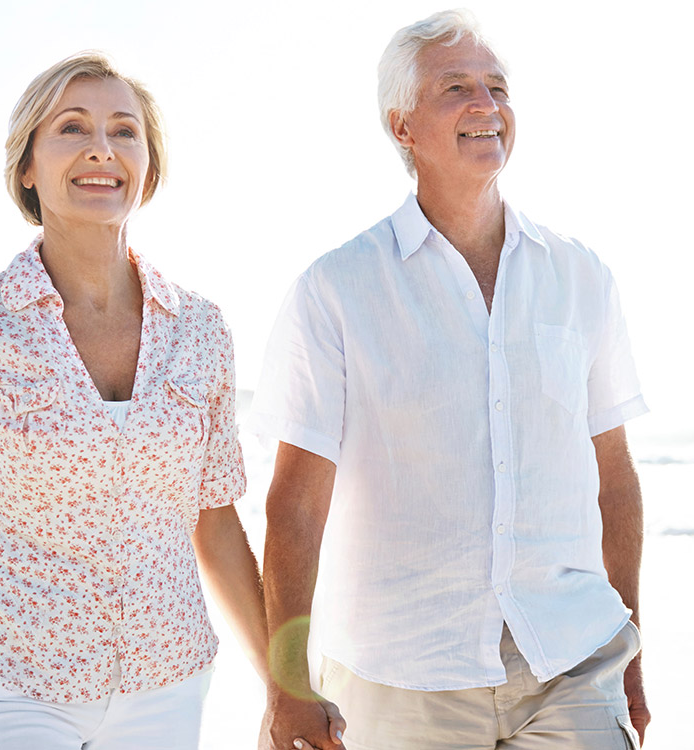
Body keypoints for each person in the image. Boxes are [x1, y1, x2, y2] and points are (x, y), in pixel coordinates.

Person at [255, 10, 652, 750]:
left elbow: (614, 477)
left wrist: (632, 645)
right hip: (404, 674)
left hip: (572, 656)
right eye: (456, 88)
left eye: (498, 88)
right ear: (402, 126)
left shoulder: (581, 276)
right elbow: (296, 504)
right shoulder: (337, 288)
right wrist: (287, 684)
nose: (486, 105)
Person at [0, 51, 270, 750]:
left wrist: (285, 684)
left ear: (149, 164)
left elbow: (216, 520)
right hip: (7, 681)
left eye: (124, 131)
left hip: (166, 682)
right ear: (28, 166)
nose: (100, 150)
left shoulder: (202, 328)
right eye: (72, 128)